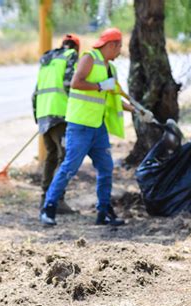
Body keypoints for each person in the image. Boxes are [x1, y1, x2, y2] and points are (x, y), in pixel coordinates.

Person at [39, 28, 136, 226]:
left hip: (98, 127)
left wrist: (132, 109)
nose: (120, 51)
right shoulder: (89, 58)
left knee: (106, 168)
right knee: (69, 167)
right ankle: (48, 208)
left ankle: (104, 212)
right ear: (112, 45)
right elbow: (76, 83)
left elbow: (112, 98)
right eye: (119, 47)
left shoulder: (111, 68)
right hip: (80, 125)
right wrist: (101, 85)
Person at [32, 33, 80, 214]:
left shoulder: (46, 60)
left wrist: (39, 116)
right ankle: (57, 199)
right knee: (65, 157)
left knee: (51, 156)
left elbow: (35, 92)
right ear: (76, 47)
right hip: (61, 114)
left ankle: (45, 198)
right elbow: (70, 84)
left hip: (44, 113)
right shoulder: (71, 56)